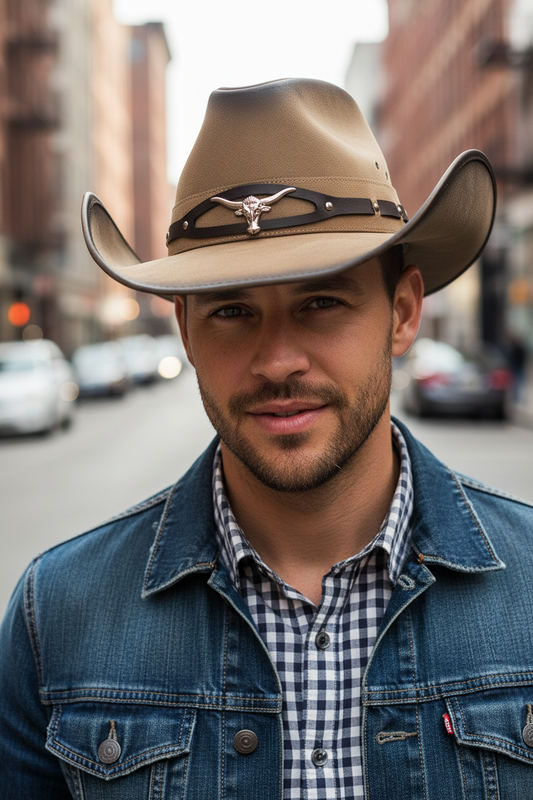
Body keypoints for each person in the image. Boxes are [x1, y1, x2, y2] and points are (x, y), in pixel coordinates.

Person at [1, 77, 533, 800]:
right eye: (230, 312)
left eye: (321, 302)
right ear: (185, 331)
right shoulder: (55, 615)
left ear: (402, 313)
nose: (277, 360)